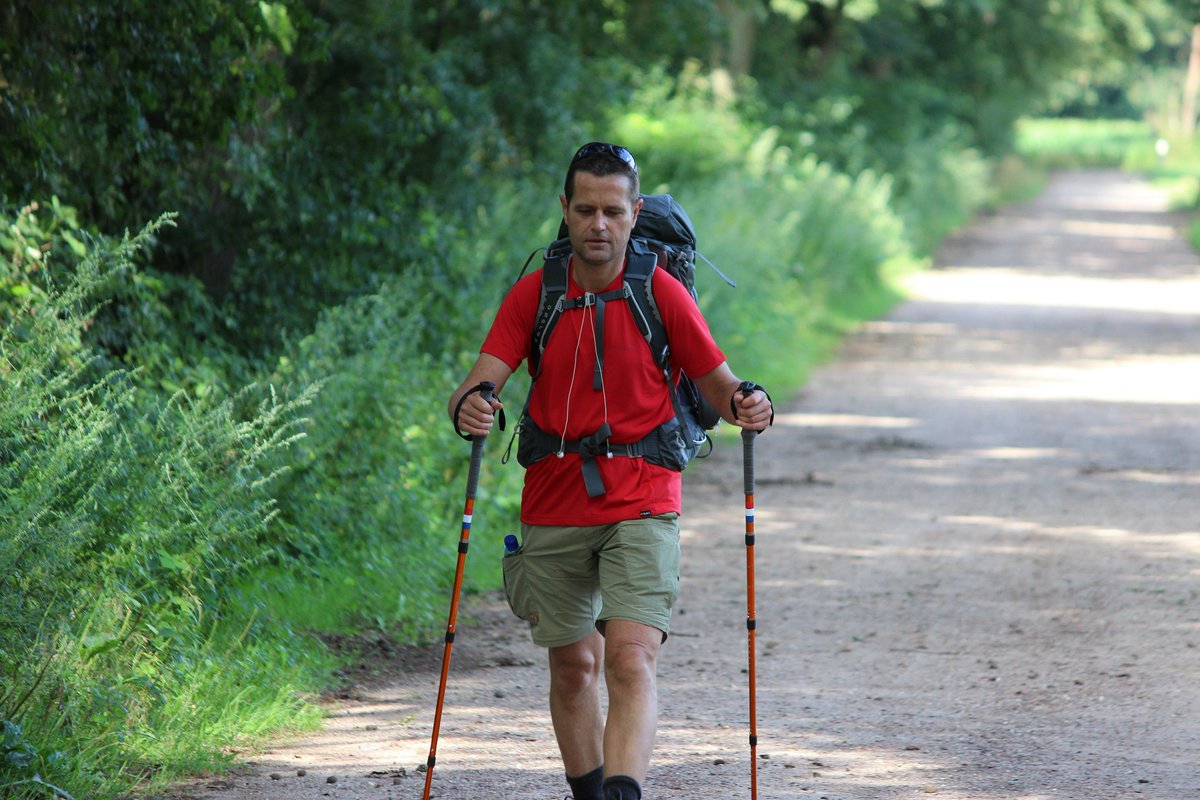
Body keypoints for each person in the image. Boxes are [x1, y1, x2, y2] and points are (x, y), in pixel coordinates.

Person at [448, 142, 773, 800]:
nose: (600, 223)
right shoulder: (536, 292)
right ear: (565, 210)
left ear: (635, 213)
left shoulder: (661, 291)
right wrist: (471, 409)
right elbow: (476, 387)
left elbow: (720, 387)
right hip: (554, 498)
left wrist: (749, 403)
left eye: (614, 211)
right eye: (587, 209)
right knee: (573, 668)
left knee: (629, 658)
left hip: (646, 497)